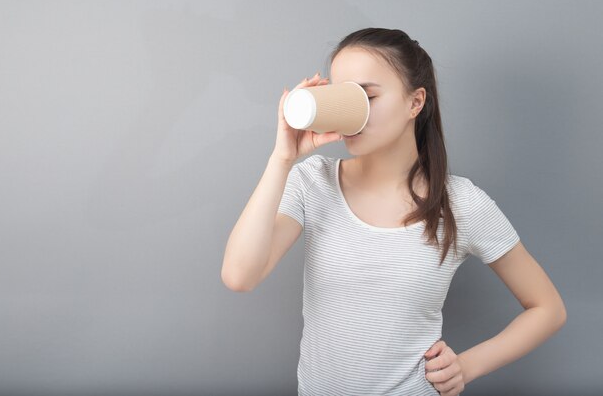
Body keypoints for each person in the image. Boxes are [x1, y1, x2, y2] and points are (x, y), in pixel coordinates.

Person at [221, 28, 567, 396]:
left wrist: (466, 366)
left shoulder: (461, 203)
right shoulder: (312, 182)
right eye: (342, 95)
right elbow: (240, 276)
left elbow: (548, 308)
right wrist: (282, 159)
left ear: (415, 102)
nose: (351, 110)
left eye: (367, 95)